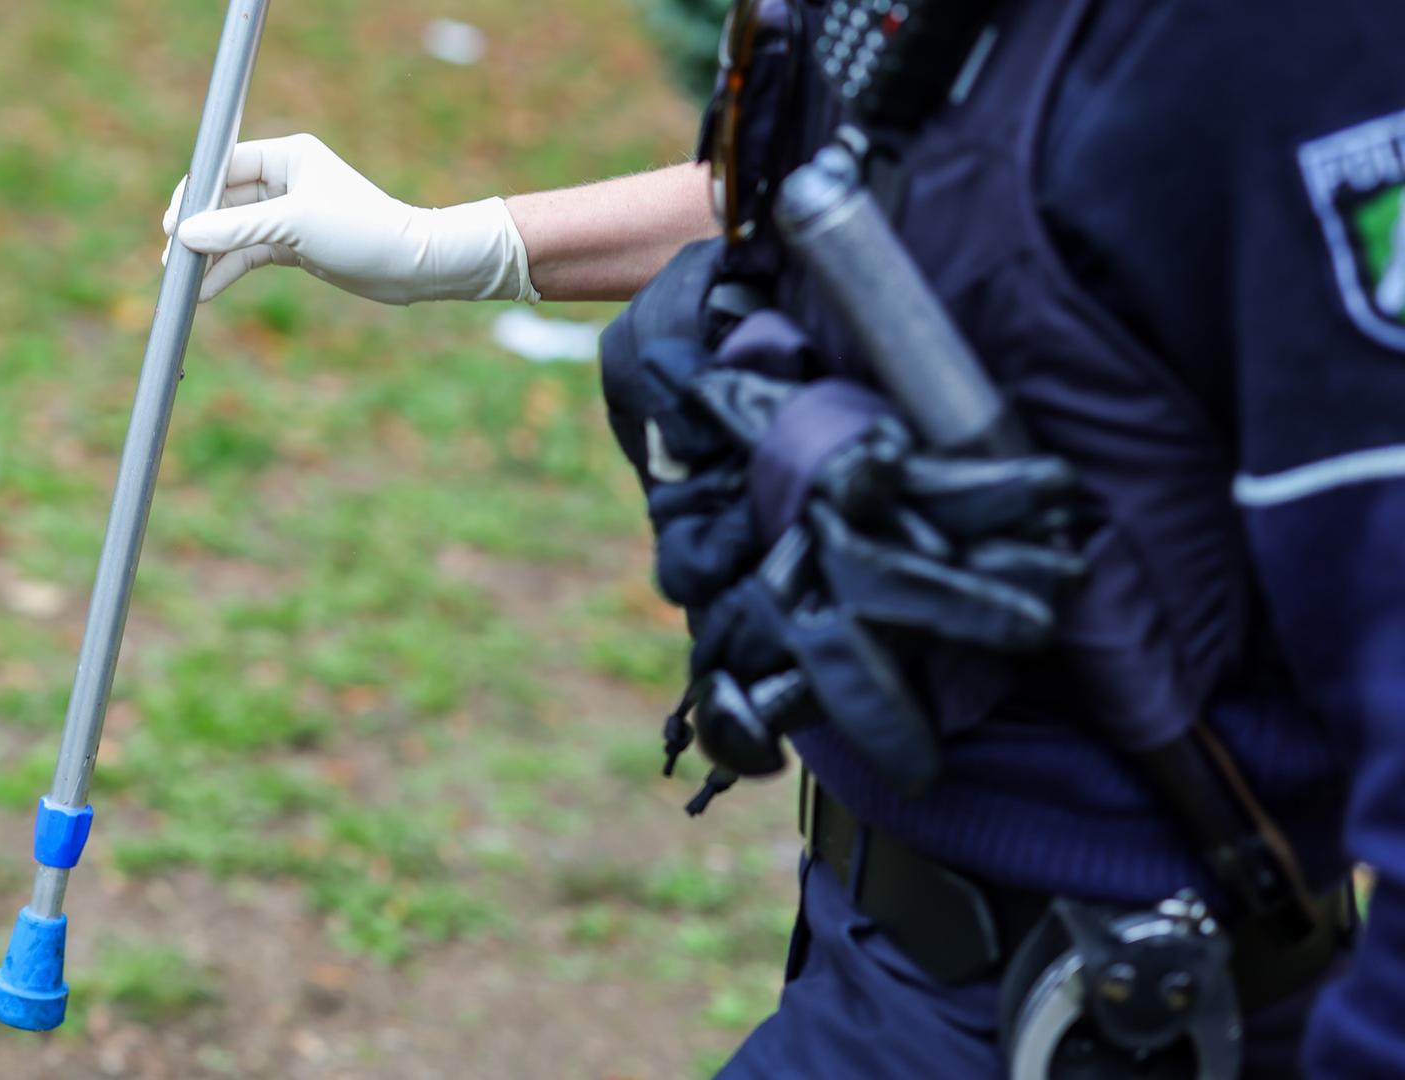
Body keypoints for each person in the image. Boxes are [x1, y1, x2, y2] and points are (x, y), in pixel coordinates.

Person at [163, 1, 1405, 1075]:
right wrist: (462, 244)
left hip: (1116, 999)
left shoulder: (1289, 45)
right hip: (883, 938)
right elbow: (851, 194)